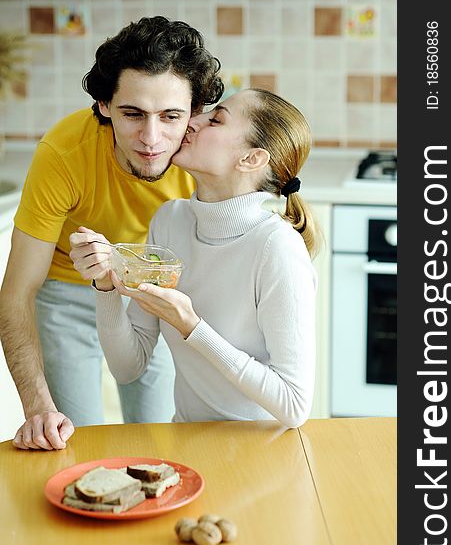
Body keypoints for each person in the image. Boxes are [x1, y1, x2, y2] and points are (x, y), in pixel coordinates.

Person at [0, 16, 223, 451]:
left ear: (194, 112)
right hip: (67, 291)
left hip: (150, 292)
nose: (152, 139)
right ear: (104, 105)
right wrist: (37, 407)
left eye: (171, 116)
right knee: (74, 443)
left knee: (158, 440)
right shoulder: (63, 154)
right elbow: (16, 291)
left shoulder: (201, 160)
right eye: (132, 114)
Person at [69, 88, 320, 428]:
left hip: (262, 450)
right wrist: (105, 284)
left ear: (251, 159)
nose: (192, 121)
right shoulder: (170, 220)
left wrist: (192, 326)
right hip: (187, 439)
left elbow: (293, 406)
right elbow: (128, 366)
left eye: (215, 120)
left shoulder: (276, 248)